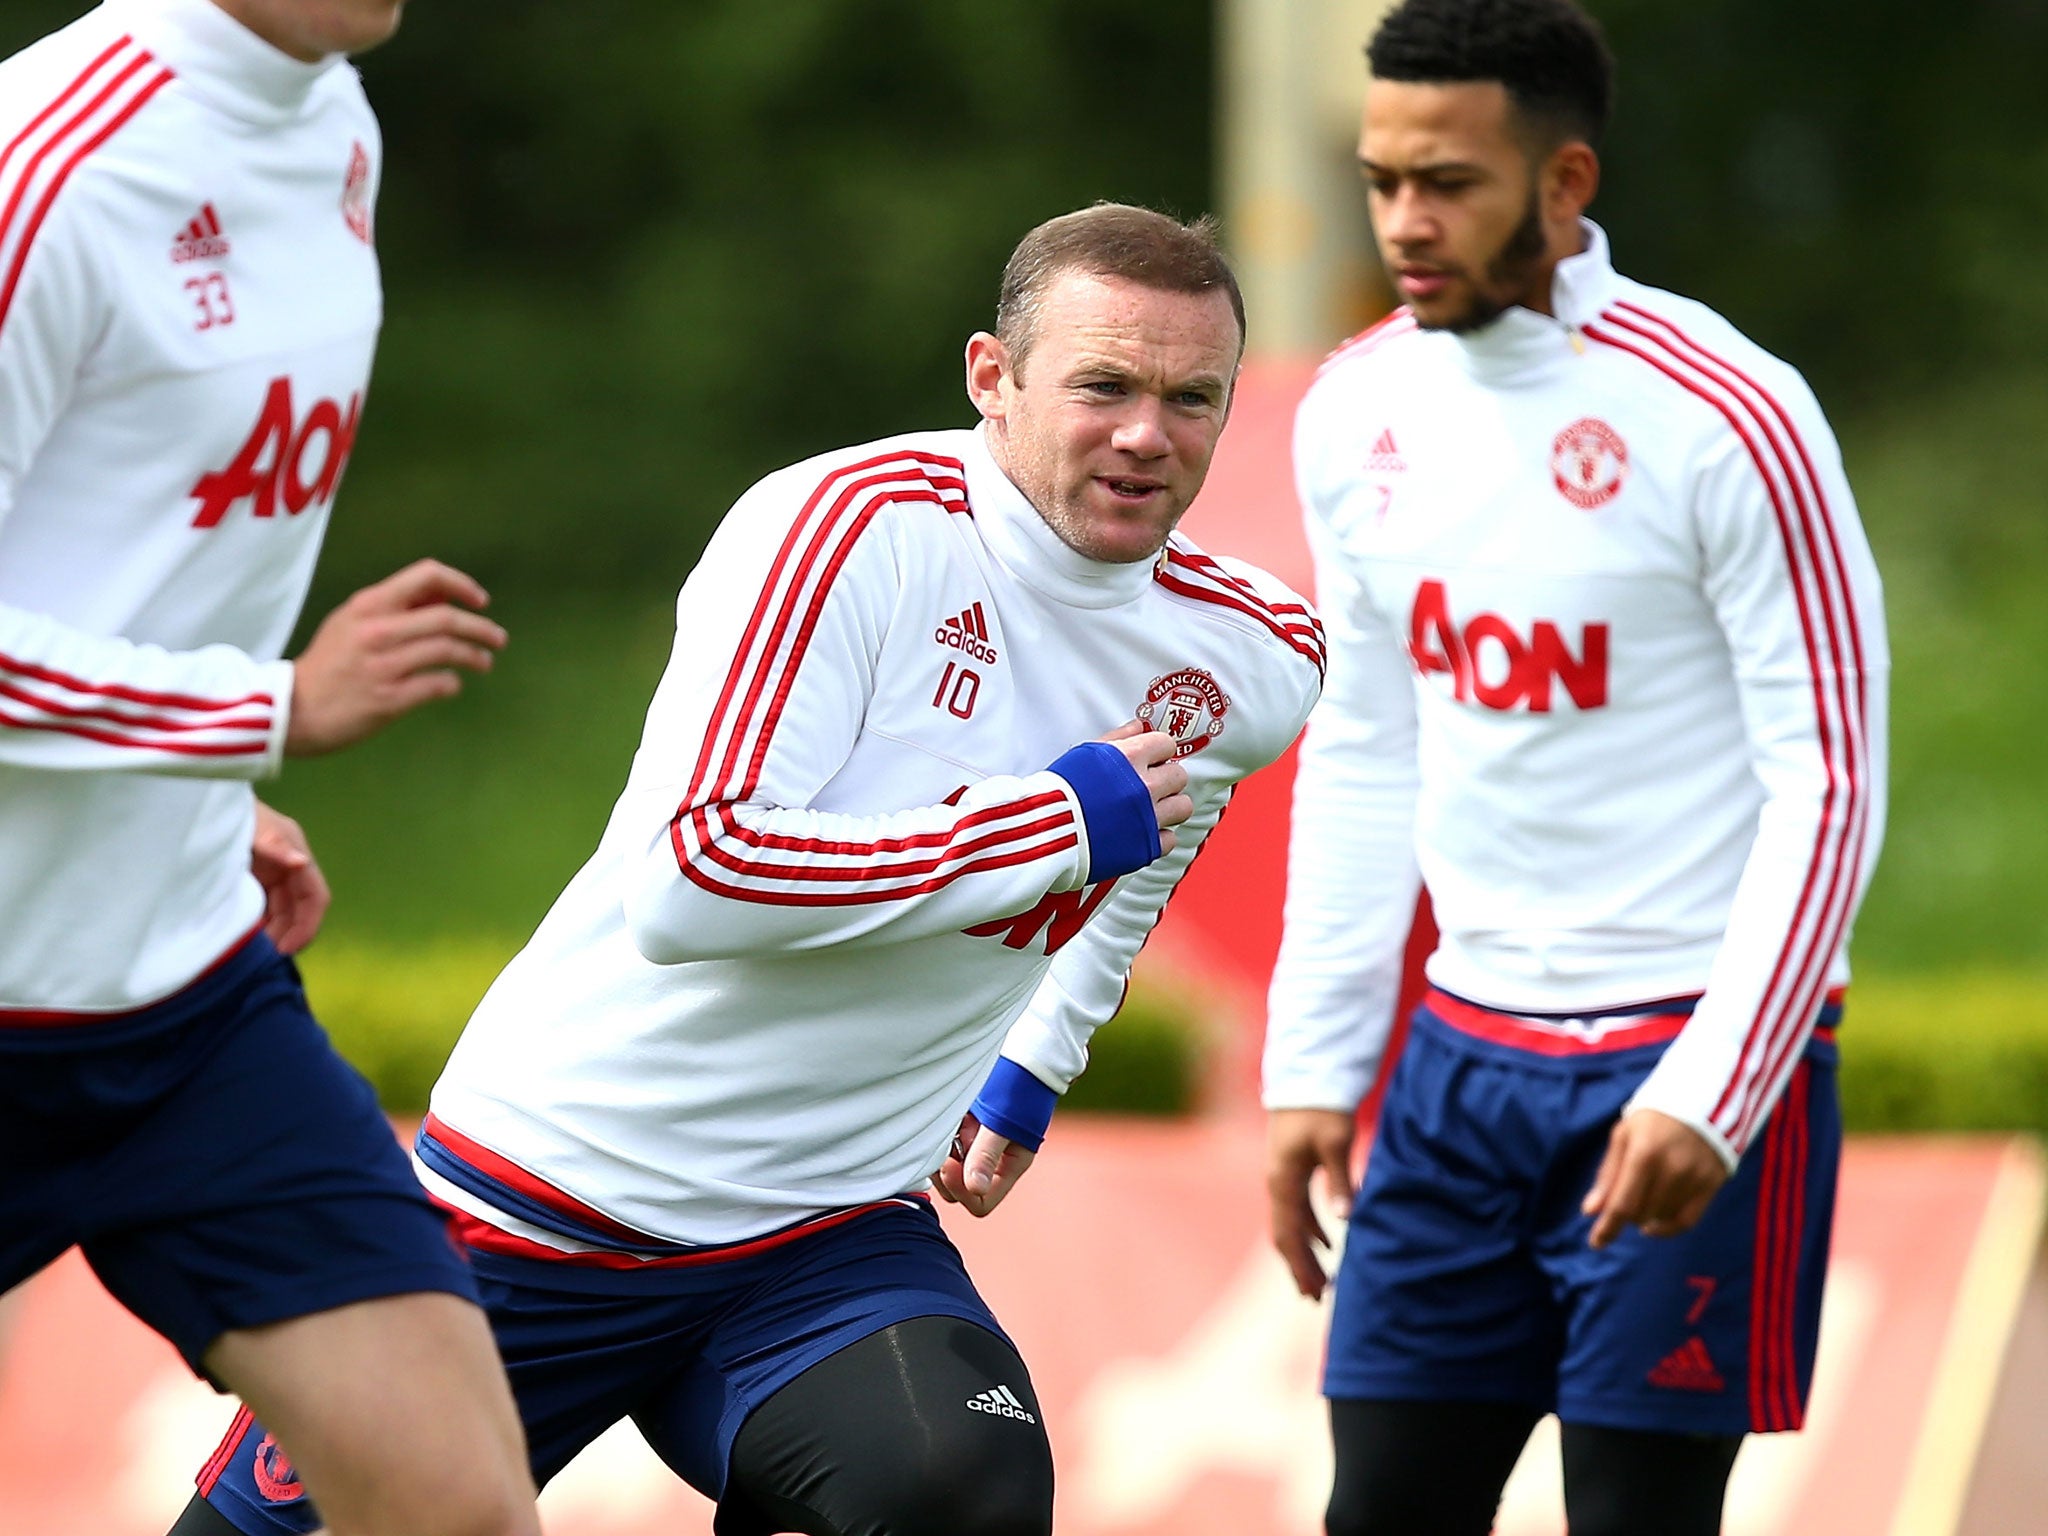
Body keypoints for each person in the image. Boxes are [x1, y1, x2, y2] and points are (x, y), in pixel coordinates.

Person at [173, 202, 1324, 1536]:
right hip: (543, 1199)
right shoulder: (843, 529)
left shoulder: (1254, 650)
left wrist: (1042, 1054)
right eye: (1105, 385)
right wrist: (1050, 825)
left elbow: (1164, 823)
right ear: (990, 380)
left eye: (1194, 397)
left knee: (961, 1491)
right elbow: (691, 876)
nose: (1147, 435)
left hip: (824, 1240)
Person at [1260, 2, 1888, 1533]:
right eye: (1381, 178)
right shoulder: (1353, 409)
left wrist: (1722, 1090)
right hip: (1461, 1066)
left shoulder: (1730, 415)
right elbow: (1364, 745)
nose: (1406, 222)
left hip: (1687, 1055)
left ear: (1564, 183)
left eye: (1450, 183)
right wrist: (1314, 1062)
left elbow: (1833, 776)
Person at [0, 2, 542, 1534]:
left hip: (181, 1011)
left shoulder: (336, 127)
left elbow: (126, 552)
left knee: (461, 1510)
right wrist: (262, 713)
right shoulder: (46, 161)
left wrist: (208, 788)